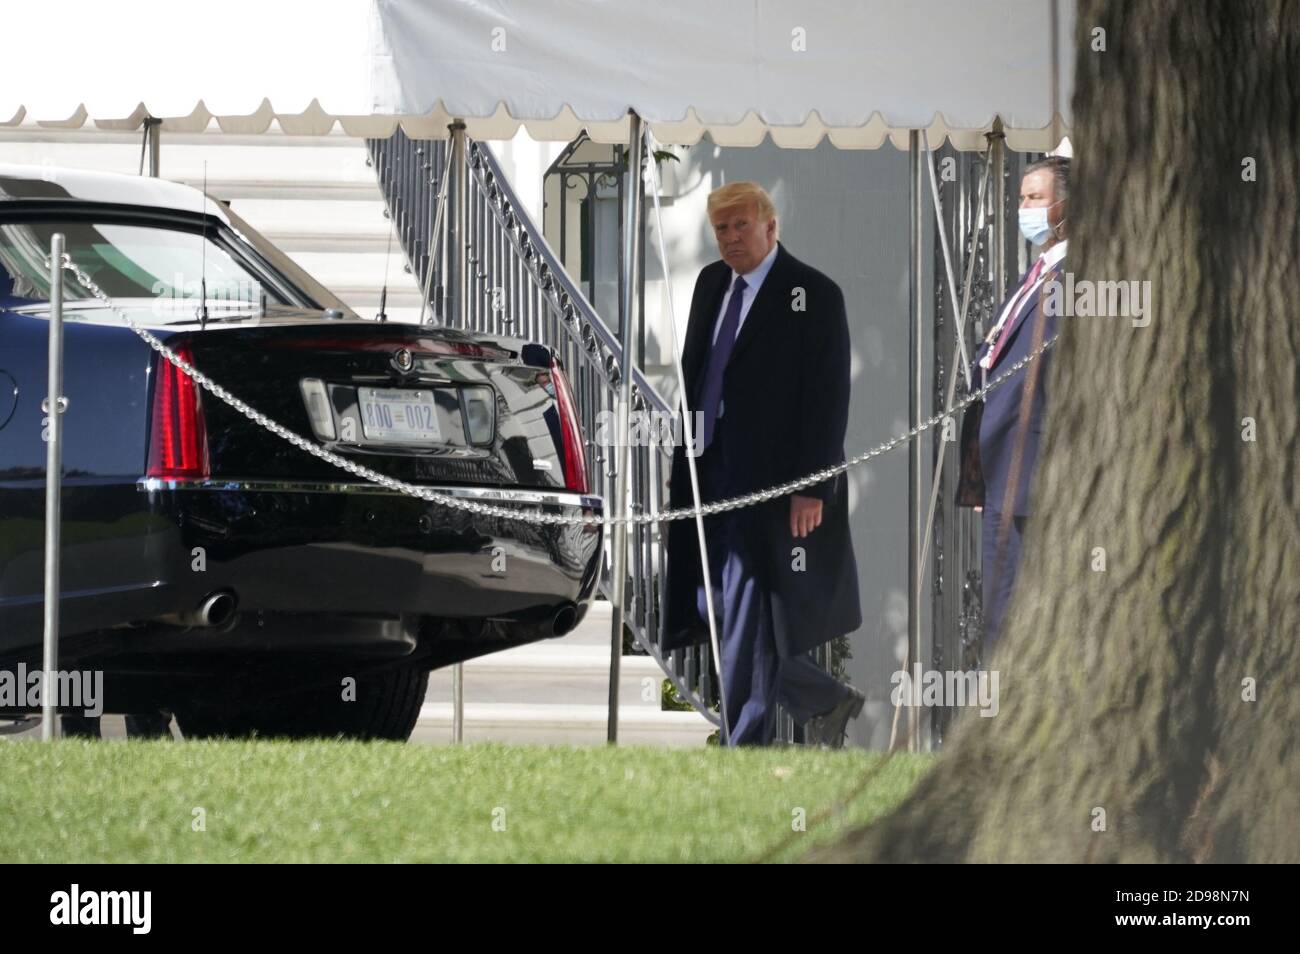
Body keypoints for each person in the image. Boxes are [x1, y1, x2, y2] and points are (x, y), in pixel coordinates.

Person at [662, 181, 864, 747]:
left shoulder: (813, 294)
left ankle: (744, 742)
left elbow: (828, 399)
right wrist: (682, 461)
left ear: (771, 227)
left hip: (773, 484)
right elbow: (697, 377)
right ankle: (821, 697)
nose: (729, 238)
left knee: (747, 604)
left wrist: (812, 488)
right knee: (711, 602)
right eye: (721, 229)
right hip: (709, 469)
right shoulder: (709, 285)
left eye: (740, 227)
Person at [971, 156, 1070, 653]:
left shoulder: (1076, 277)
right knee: (1000, 612)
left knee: (1019, 616)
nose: (1024, 208)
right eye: (1022, 198)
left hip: (1035, 472)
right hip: (1002, 465)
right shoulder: (1035, 272)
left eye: (1036, 198)